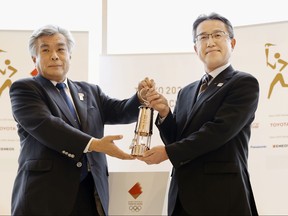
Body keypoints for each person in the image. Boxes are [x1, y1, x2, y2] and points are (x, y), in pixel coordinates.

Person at [9, 24, 153, 216]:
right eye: (45, 50)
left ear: (70, 55)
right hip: (45, 196)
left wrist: (140, 98)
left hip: (90, 194)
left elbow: (120, 111)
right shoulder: (25, 89)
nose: (54, 55)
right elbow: (48, 126)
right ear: (34, 58)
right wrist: (94, 144)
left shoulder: (89, 91)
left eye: (61, 49)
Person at [138, 12, 259, 216]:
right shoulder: (187, 91)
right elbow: (176, 139)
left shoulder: (243, 83)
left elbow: (218, 131)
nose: (210, 42)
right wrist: (166, 114)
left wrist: (169, 152)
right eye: (203, 37)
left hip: (221, 197)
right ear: (196, 49)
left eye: (217, 35)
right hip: (182, 197)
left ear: (232, 43)